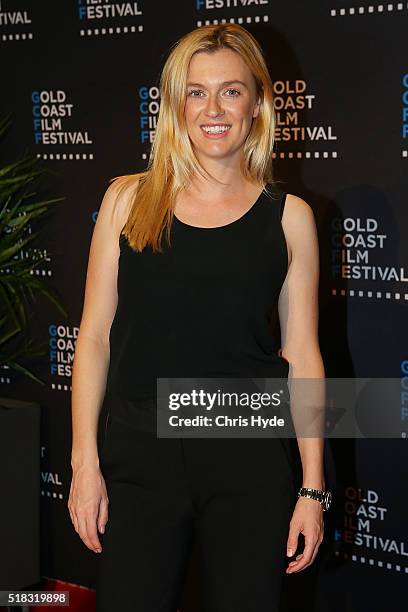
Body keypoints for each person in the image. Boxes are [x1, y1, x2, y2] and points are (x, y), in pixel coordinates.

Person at [68, 23, 329, 612]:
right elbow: (93, 339)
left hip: (249, 452)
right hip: (140, 454)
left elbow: (304, 356)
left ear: (258, 104)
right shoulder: (127, 202)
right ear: (174, 105)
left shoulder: (289, 219)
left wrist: (312, 486)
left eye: (231, 91)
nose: (214, 108)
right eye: (196, 92)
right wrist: (85, 460)